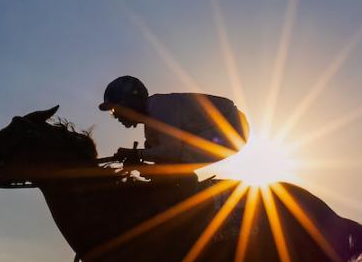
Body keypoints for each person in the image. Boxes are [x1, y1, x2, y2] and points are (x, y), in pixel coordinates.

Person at [98, 75, 250, 183]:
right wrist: (141, 163)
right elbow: (160, 156)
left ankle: (189, 189)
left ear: (129, 102)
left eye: (114, 110)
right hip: (226, 130)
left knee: (174, 160)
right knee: (165, 163)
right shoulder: (150, 127)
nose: (115, 116)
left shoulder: (160, 107)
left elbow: (171, 151)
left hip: (233, 126)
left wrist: (137, 155)